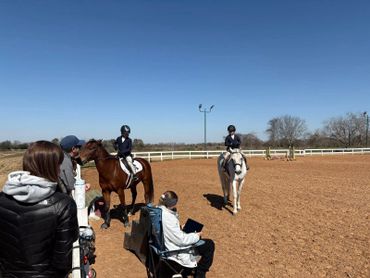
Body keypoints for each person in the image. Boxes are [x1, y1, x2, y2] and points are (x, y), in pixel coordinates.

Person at [0, 140, 79, 278]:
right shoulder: (64, 204)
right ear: (50, 167)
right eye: (58, 165)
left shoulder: (1, 199)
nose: (59, 170)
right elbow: (63, 262)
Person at [159, 191, 215, 278]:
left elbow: (168, 230)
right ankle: (200, 274)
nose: (176, 205)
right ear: (172, 203)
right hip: (175, 251)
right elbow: (181, 240)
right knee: (209, 244)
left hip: (168, 242)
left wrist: (180, 228)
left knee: (197, 237)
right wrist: (196, 235)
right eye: (175, 203)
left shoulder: (159, 211)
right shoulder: (168, 218)